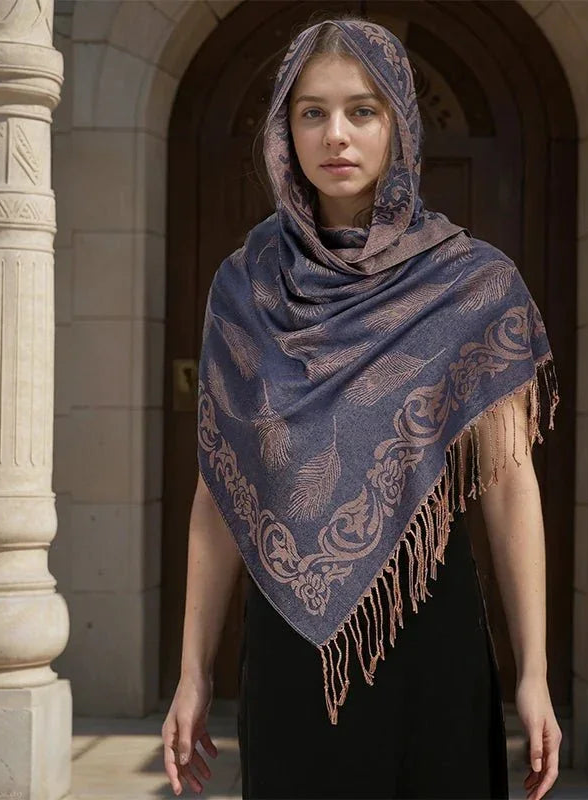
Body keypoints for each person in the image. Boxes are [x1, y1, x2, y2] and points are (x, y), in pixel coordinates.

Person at [162, 13, 562, 800]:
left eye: (362, 111)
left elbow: (512, 486)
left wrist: (534, 674)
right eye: (312, 112)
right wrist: (192, 672)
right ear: (285, 130)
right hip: (288, 650)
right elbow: (221, 489)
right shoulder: (244, 288)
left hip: (431, 642)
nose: (335, 135)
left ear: (399, 125)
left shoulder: (472, 285)